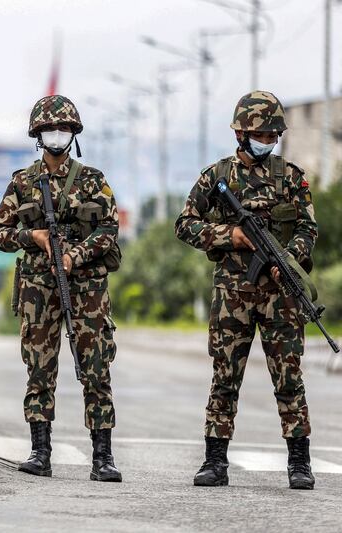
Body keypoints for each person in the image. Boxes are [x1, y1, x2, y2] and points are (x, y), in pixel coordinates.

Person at [175, 91, 317, 490]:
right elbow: (185, 225)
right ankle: (215, 461)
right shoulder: (216, 178)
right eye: (261, 134)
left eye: (273, 135)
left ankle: (300, 462)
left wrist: (286, 260)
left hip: (281, 295)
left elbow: (308, 229)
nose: (268, 141)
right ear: (240, 132)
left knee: (289, 378)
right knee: (224, 377)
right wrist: (230, 235)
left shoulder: (290, 177)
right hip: (232, 295)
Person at [0, 95, 122, 481]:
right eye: (50, 129)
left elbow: (109, 230)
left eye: (64, 129)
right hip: (38, 288)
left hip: (87, 288)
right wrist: (33, 236)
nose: (57, 134)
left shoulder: (94, 181)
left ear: (74, 133)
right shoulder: (23, 181)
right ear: (38, 135)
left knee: (95, 367)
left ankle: (103, 457)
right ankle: (40, 451)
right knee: (39, 369)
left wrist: (75, 256)